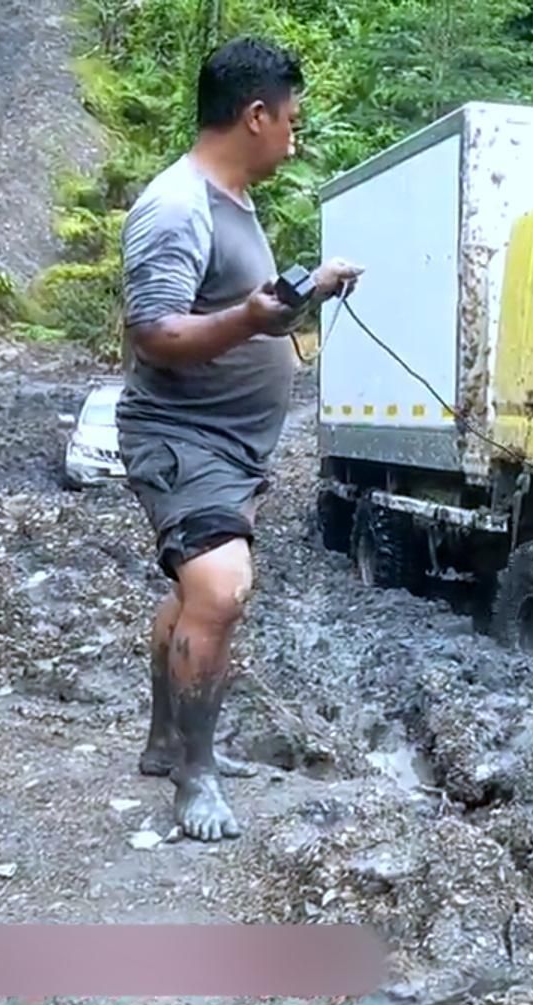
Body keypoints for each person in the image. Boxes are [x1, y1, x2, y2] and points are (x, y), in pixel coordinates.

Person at [118, 37, 363, 842]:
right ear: (255, 115)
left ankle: (163, 742)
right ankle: (196, 777)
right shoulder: (177, 205)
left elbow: (238, 303)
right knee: (221, 590)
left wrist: (305, 291)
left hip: (231, 446)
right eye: (290, 119)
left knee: (194, 593)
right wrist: (252, 318)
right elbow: (155, 331)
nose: (294, 135)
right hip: (183, 436)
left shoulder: (231, 202)